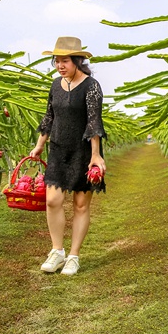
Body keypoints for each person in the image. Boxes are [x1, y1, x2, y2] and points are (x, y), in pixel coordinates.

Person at [30, 37, 106, 276]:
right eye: (57, 61)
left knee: (80, 205)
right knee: (52, 200)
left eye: (65, 61)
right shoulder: (55, 85)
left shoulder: (91, 86)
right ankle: (57, 251)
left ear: (77, 61)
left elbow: (94, 122)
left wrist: (95, 156)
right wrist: (40, 144)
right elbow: (49, 117)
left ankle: (73, 256)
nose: (60, 65)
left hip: (83, 151)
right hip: (59, 150)